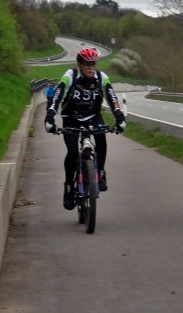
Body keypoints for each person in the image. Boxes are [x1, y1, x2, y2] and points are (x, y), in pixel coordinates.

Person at [45, 47, 126, 210]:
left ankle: (100, 172)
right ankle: (69, 186)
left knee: (101, 140)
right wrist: (50, 116)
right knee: (72, 151)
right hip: (71, 118)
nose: (90, 68)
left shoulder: (101, 78)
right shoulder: (70, 76)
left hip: (93, 116)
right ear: (79, 64)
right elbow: (58, 96)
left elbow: (112, 98)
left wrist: (119, 116)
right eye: (87, 64)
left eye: (93, 64)